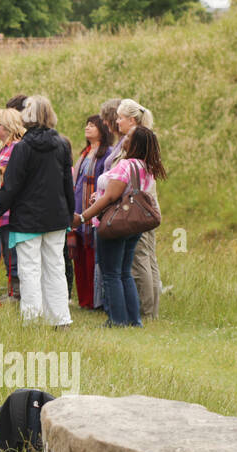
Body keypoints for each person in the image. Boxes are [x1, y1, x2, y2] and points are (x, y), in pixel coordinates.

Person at [0, 95, 76, 328]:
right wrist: (70, 213)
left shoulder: (23, 148)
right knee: (55, 267)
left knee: (30, 269)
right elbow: (67, 183)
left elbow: (11, 186)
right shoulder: (62, 145)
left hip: (27, 219)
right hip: (56, 217)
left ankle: (32, 320)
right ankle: (61, 318)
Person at [77, 126, 167, 328]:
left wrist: (83, 217)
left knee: (111, 273)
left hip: (114, 224)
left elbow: (111, 196)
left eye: (128, 136)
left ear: (134, 143)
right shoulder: (146, 167)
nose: (124, 138)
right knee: (125, 272)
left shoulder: (126, 165)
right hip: (133, 225)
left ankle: (117, 320)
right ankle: (134, 320)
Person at [113, 98, 163, 320]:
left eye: (120, 118)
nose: (117, 122)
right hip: (148, 205)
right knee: (148, 257)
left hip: (138, 207)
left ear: (131, 120)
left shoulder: (137, 143)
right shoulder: (148, 139)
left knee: (140, 257)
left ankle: (146, 310)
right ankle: (151, 309)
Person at [72, 114, 112, 309]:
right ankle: (84, 299)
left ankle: (95, 300)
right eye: (86, 125)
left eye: (92, 125)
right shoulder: (85, 152)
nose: (87, 128)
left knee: (91, 256)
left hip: (92, 211)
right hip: (78, 208)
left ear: (102, 130)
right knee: (79, 255)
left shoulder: (106, 154)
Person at [0, 108, 26, 299]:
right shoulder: (4, 147)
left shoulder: (16, 147)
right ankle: (14, 290)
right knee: (8, 252)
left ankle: (17, 292)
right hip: (3, 210)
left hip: (11, 210)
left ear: (9, 126)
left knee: (13, 253)